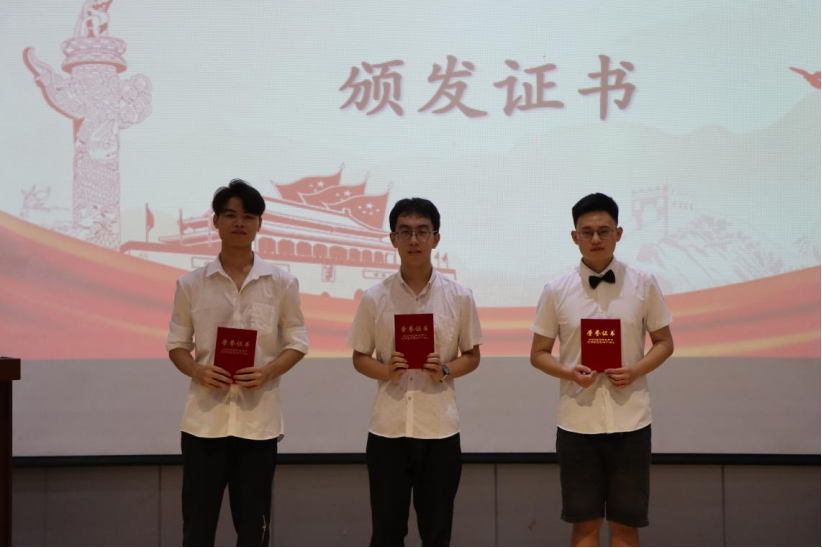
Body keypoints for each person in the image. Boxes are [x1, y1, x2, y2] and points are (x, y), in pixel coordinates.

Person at [166, 178, 308, 546]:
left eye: (248, 216)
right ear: (215, 221)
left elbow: (297, 342)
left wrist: (268, 371)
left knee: (253, 530)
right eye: (230, 215)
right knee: (197, 529)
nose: (239, 223)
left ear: (260, 223)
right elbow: (177, 345)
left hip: (257, 424)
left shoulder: (281, 282)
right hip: (203, 424)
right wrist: (197, 370)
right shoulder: (191, 284)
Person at [529, 193, 674, 547]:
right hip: (577, 423)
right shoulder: (556, 290)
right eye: (587, 232)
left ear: (618, 233)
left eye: (604, 231)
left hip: (631, 421)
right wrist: (569, 373)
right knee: (585, 526)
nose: (596, 239)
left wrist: (636, 370)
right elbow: (538, 354)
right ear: (574, 236)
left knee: (626, 526)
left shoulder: (644, 283)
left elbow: (665, 343)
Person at [347, 198, 483, 546]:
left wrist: (446, 368)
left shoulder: (459, 296)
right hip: (387, 430)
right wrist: (385, 370)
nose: (414, 240)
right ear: (392, 239)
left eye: (423, 231)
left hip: (439, 429)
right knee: (386, 532)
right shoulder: (374, 297)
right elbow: (360, 356)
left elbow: (472, 356)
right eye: (405, 232)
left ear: (436, 238)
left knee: (436, 533)